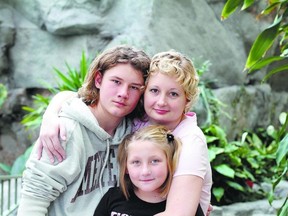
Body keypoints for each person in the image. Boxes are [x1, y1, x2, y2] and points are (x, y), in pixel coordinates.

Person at [35, 50, 213, 215]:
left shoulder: (190, 141)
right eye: (154, 91)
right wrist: (52, 112)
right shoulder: (138, 120)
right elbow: (80, 97)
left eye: (173, 94)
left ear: (187, 99)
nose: (161, 102)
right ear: (144, 92)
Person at [17, 45, 151, 216]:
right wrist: (51, 112)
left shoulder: (133, 133)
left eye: (134, 87)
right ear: (98, 80)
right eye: (116, 82)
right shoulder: (67, 131)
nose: (123, 93)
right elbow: (34, 199)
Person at [94, 125, 204, 216]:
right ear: (126, 167)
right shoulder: (113, 197)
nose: (145, 171)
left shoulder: (183, 205)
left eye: (155, 161)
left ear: (169, 163)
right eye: (136, 162)